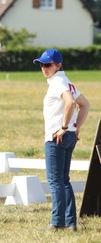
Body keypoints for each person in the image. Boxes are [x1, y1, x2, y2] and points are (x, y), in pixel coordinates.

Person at [33, 49, 89, 231]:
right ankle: (70, 222)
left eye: (48, 64)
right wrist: (75, 127)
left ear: (58, 65)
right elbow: (85, 104)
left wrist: (65, 127)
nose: (44, 68)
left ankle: (57, 223)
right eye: (41, 64)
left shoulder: (57, 82)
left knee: (56, 181)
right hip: (69, 135)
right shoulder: (65, 81)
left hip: (57, 137)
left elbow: (72, 103)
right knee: (64, 180)